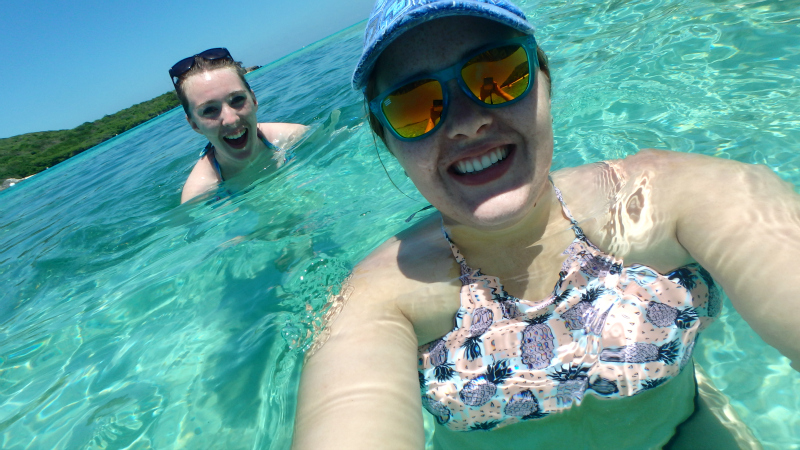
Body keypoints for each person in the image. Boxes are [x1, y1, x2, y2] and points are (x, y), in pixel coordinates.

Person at [293, 1, 800, 448]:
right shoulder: (380, 298)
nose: (467, 122)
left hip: (685, 434)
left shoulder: (665, 197)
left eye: (498, 73)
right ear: (388, 142)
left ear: (544, 79)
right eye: (414, 106)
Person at [169, 48, 308, 203]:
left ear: (254, 100)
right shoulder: (198, 195)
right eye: (209, 110)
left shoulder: (294, 137)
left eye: (237, 100)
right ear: (195, 125)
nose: (230, 120)